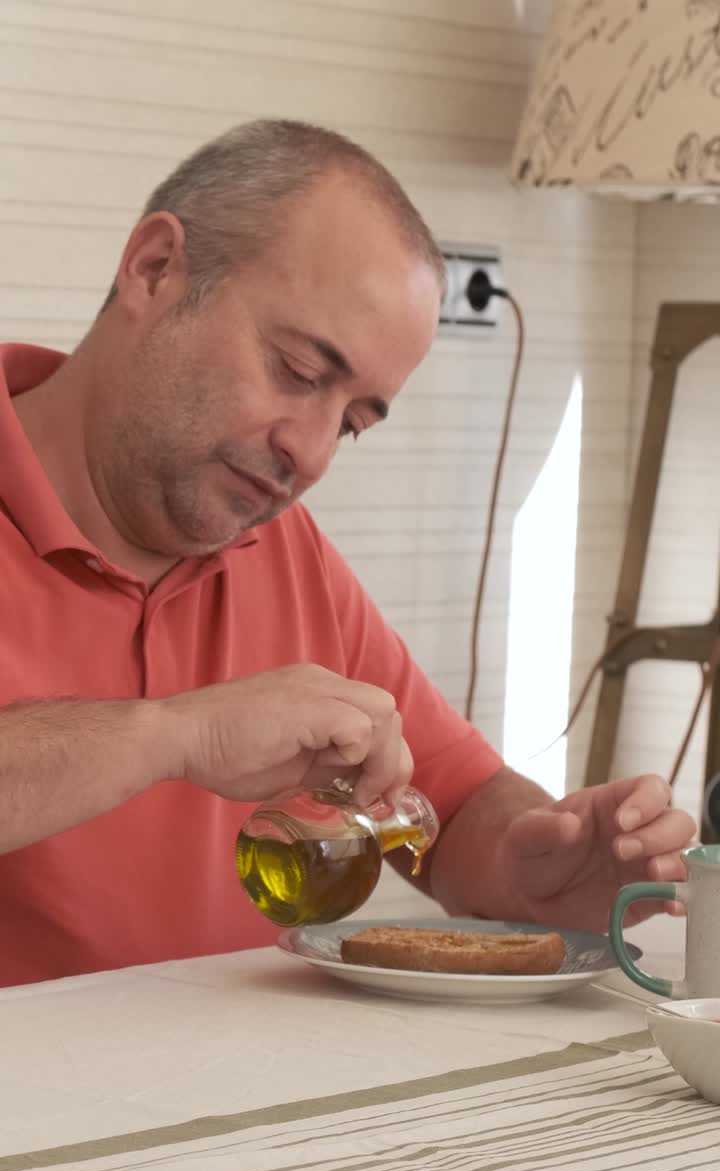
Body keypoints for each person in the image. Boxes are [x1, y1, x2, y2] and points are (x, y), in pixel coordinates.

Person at [0, 119, 693, 987]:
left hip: (243, 1108)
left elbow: (453, 802)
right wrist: (177, 733)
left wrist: (533, 860)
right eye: (297, 371)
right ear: (155, 270)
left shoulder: (274, 543)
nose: (314, 453)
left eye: (355, 422)